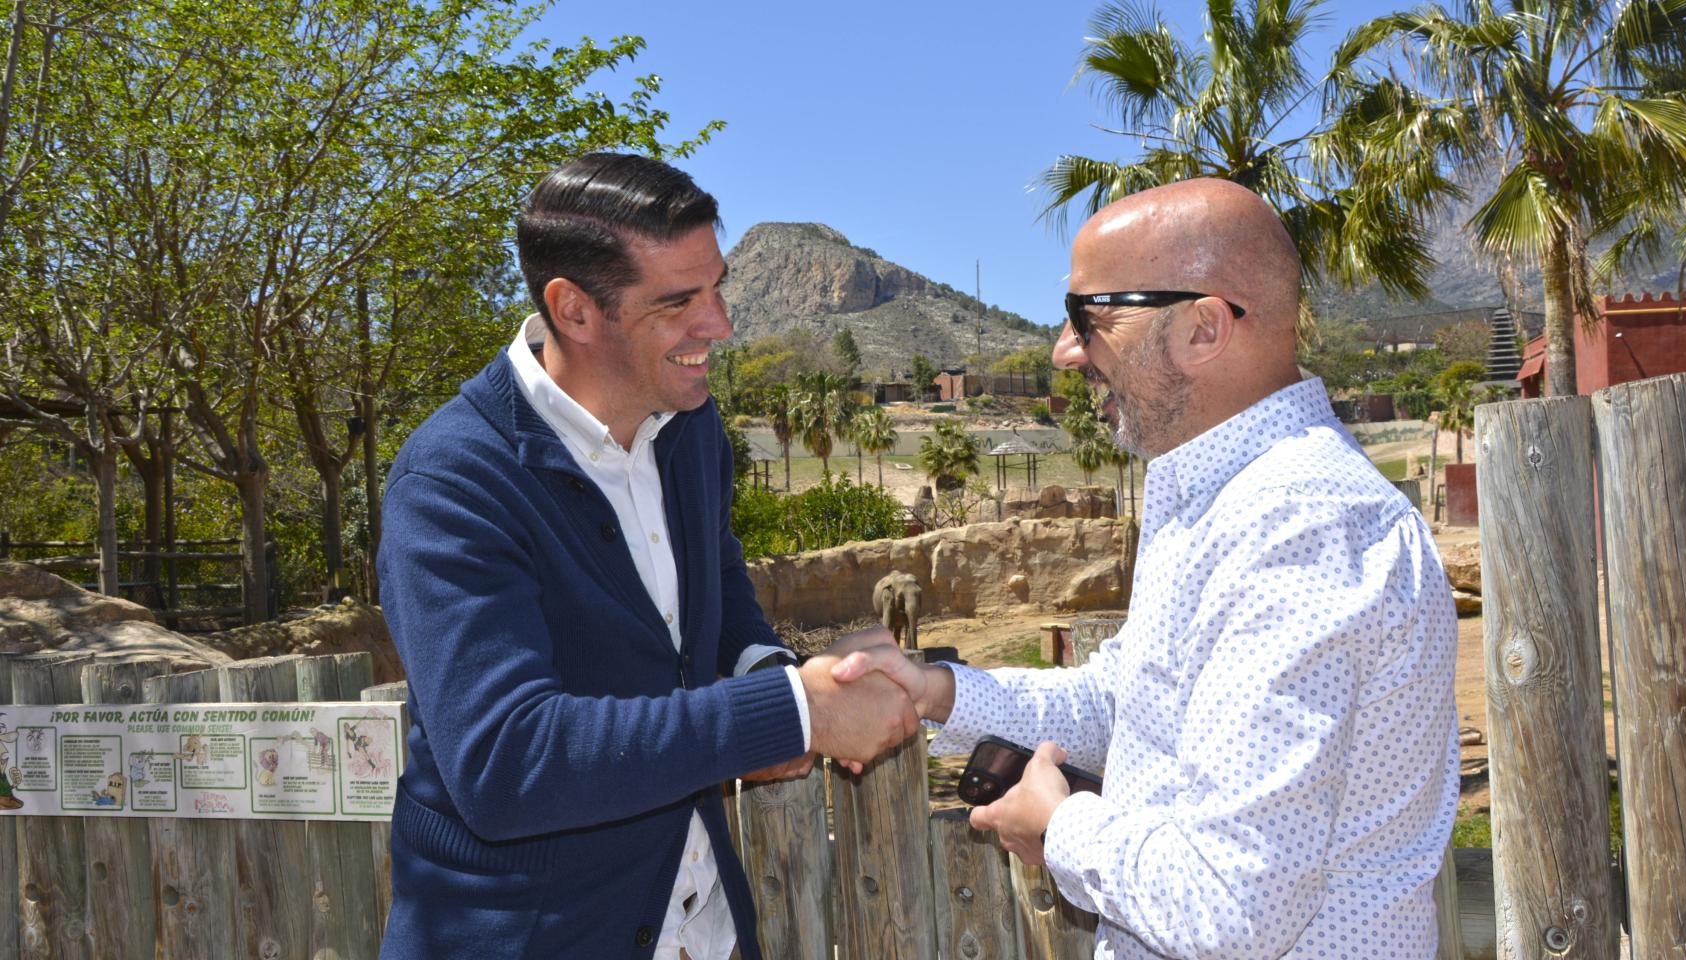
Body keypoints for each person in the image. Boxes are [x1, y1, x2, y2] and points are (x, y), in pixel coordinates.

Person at [836, 178, 1459, 959]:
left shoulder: (1302, 529)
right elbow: (1127, 702)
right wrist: (938, 691)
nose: (1066, 350)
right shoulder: (1226, 500)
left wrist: (1060, 828)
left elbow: (1230, 905)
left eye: (1090, 317)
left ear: (1203, 328)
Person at [376, 153, 918, 960]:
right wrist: (796, 714)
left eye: (717, 287)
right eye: (678, 303)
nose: (721, 324)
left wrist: (771, 678)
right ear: (574, 309)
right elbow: (504, 761)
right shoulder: (452, 481)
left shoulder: (689, 423)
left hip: (702, 924)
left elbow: (715, 587)